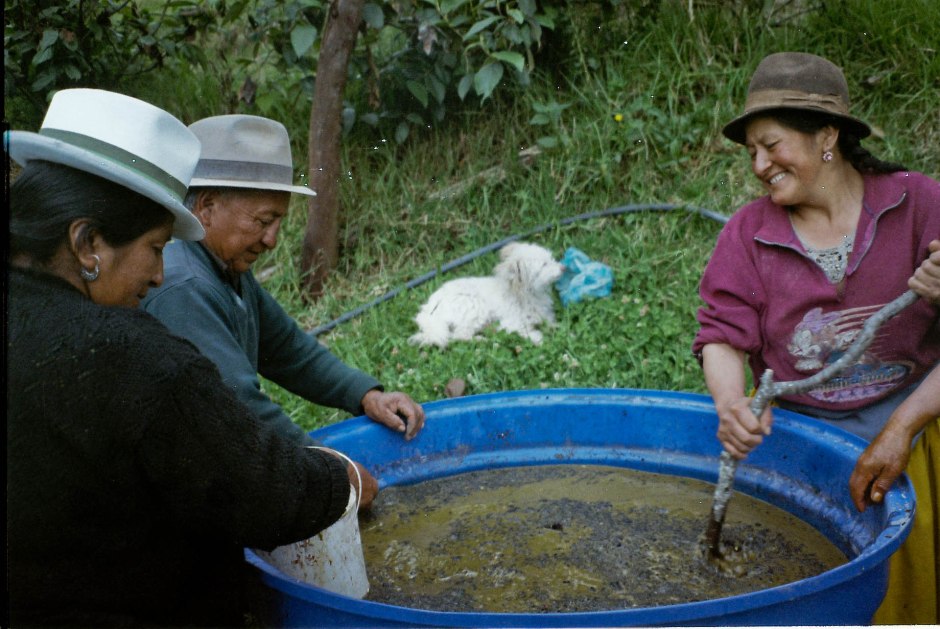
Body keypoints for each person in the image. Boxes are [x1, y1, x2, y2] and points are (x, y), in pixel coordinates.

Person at [6, 89, 361, 627]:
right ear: (87, 243)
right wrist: (342, 479)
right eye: (153, 247)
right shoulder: (132, 356)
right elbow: (263, 492)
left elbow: (287, 346)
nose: (157, 275)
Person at [693, 52, 940, 624]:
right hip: (807, 443)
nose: (758, 163)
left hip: (920, 428)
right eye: (751, 150)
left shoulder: (919, 205)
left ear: (827, 135)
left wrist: (902, 427)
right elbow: (722, 335)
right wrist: (731, 404)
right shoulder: (748, 235)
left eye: (771, 144)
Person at [141, 115, 426, 486]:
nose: (272, 240)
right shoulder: (184, 286)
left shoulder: (226, 269)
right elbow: (240, 409)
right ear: (207, 207)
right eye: (262, 221)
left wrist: (365, 395)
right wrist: (335, 477)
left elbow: (289, 350)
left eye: (279, 222)